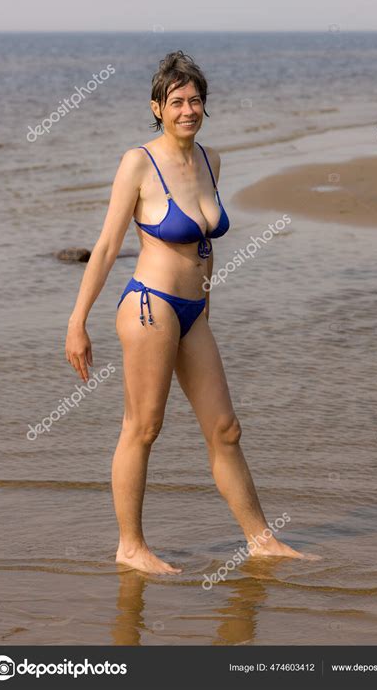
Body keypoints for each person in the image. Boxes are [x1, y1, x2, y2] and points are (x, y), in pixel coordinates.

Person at [65, 51, 320, 574]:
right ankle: (131, 547)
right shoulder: (139, 162)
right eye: (176, 101)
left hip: (194, 314)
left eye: (196, 99)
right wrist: (77, 321)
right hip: (149, 308)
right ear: (156, 107)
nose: (188, 109)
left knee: (226, 429)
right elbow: (109, 245)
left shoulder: (210, 160)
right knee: (143, 427)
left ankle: (261, 539)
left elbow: (207, 244)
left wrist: (207, 304)